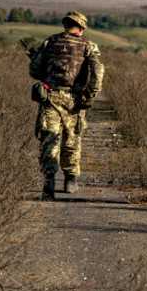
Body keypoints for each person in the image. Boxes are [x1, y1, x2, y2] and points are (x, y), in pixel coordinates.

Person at [28, 11, 105, 199]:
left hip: (51, 97)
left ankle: (49, 183)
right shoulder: (89, 46)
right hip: (75, 100)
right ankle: (71, 179)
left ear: (66, 25)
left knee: (49, 139)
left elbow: (35, 70)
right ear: (81, 27)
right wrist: (91, 95)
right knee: (72, 139)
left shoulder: (49, 42)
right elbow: (98, 71)